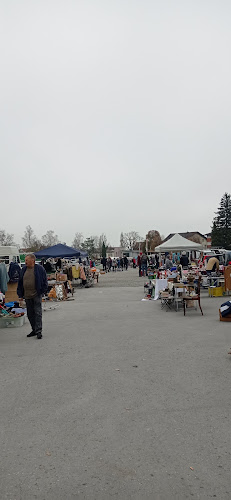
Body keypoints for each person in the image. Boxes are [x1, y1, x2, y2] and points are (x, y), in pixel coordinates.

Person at [17, 253, 48, 339]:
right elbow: (20, 283)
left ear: (32, 261)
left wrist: (42, 291)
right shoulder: (23, 269)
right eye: (25, 260)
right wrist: (20, 295)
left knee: (37, 313)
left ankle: (38, 331)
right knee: (30, 314)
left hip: (36, 295)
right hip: (27, 295)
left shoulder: (39, 269)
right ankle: (34, 329)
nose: (25, 262)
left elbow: (45, 281)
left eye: (27, 260)